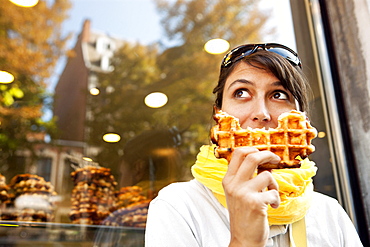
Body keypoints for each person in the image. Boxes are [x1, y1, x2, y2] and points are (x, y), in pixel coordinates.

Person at [144, 43, 363, 247]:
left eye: (278, 94)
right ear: (218, 114)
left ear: (301, 120)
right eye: (241, 93)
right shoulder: (179, 206)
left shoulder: (330, 214)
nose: (261, 113)